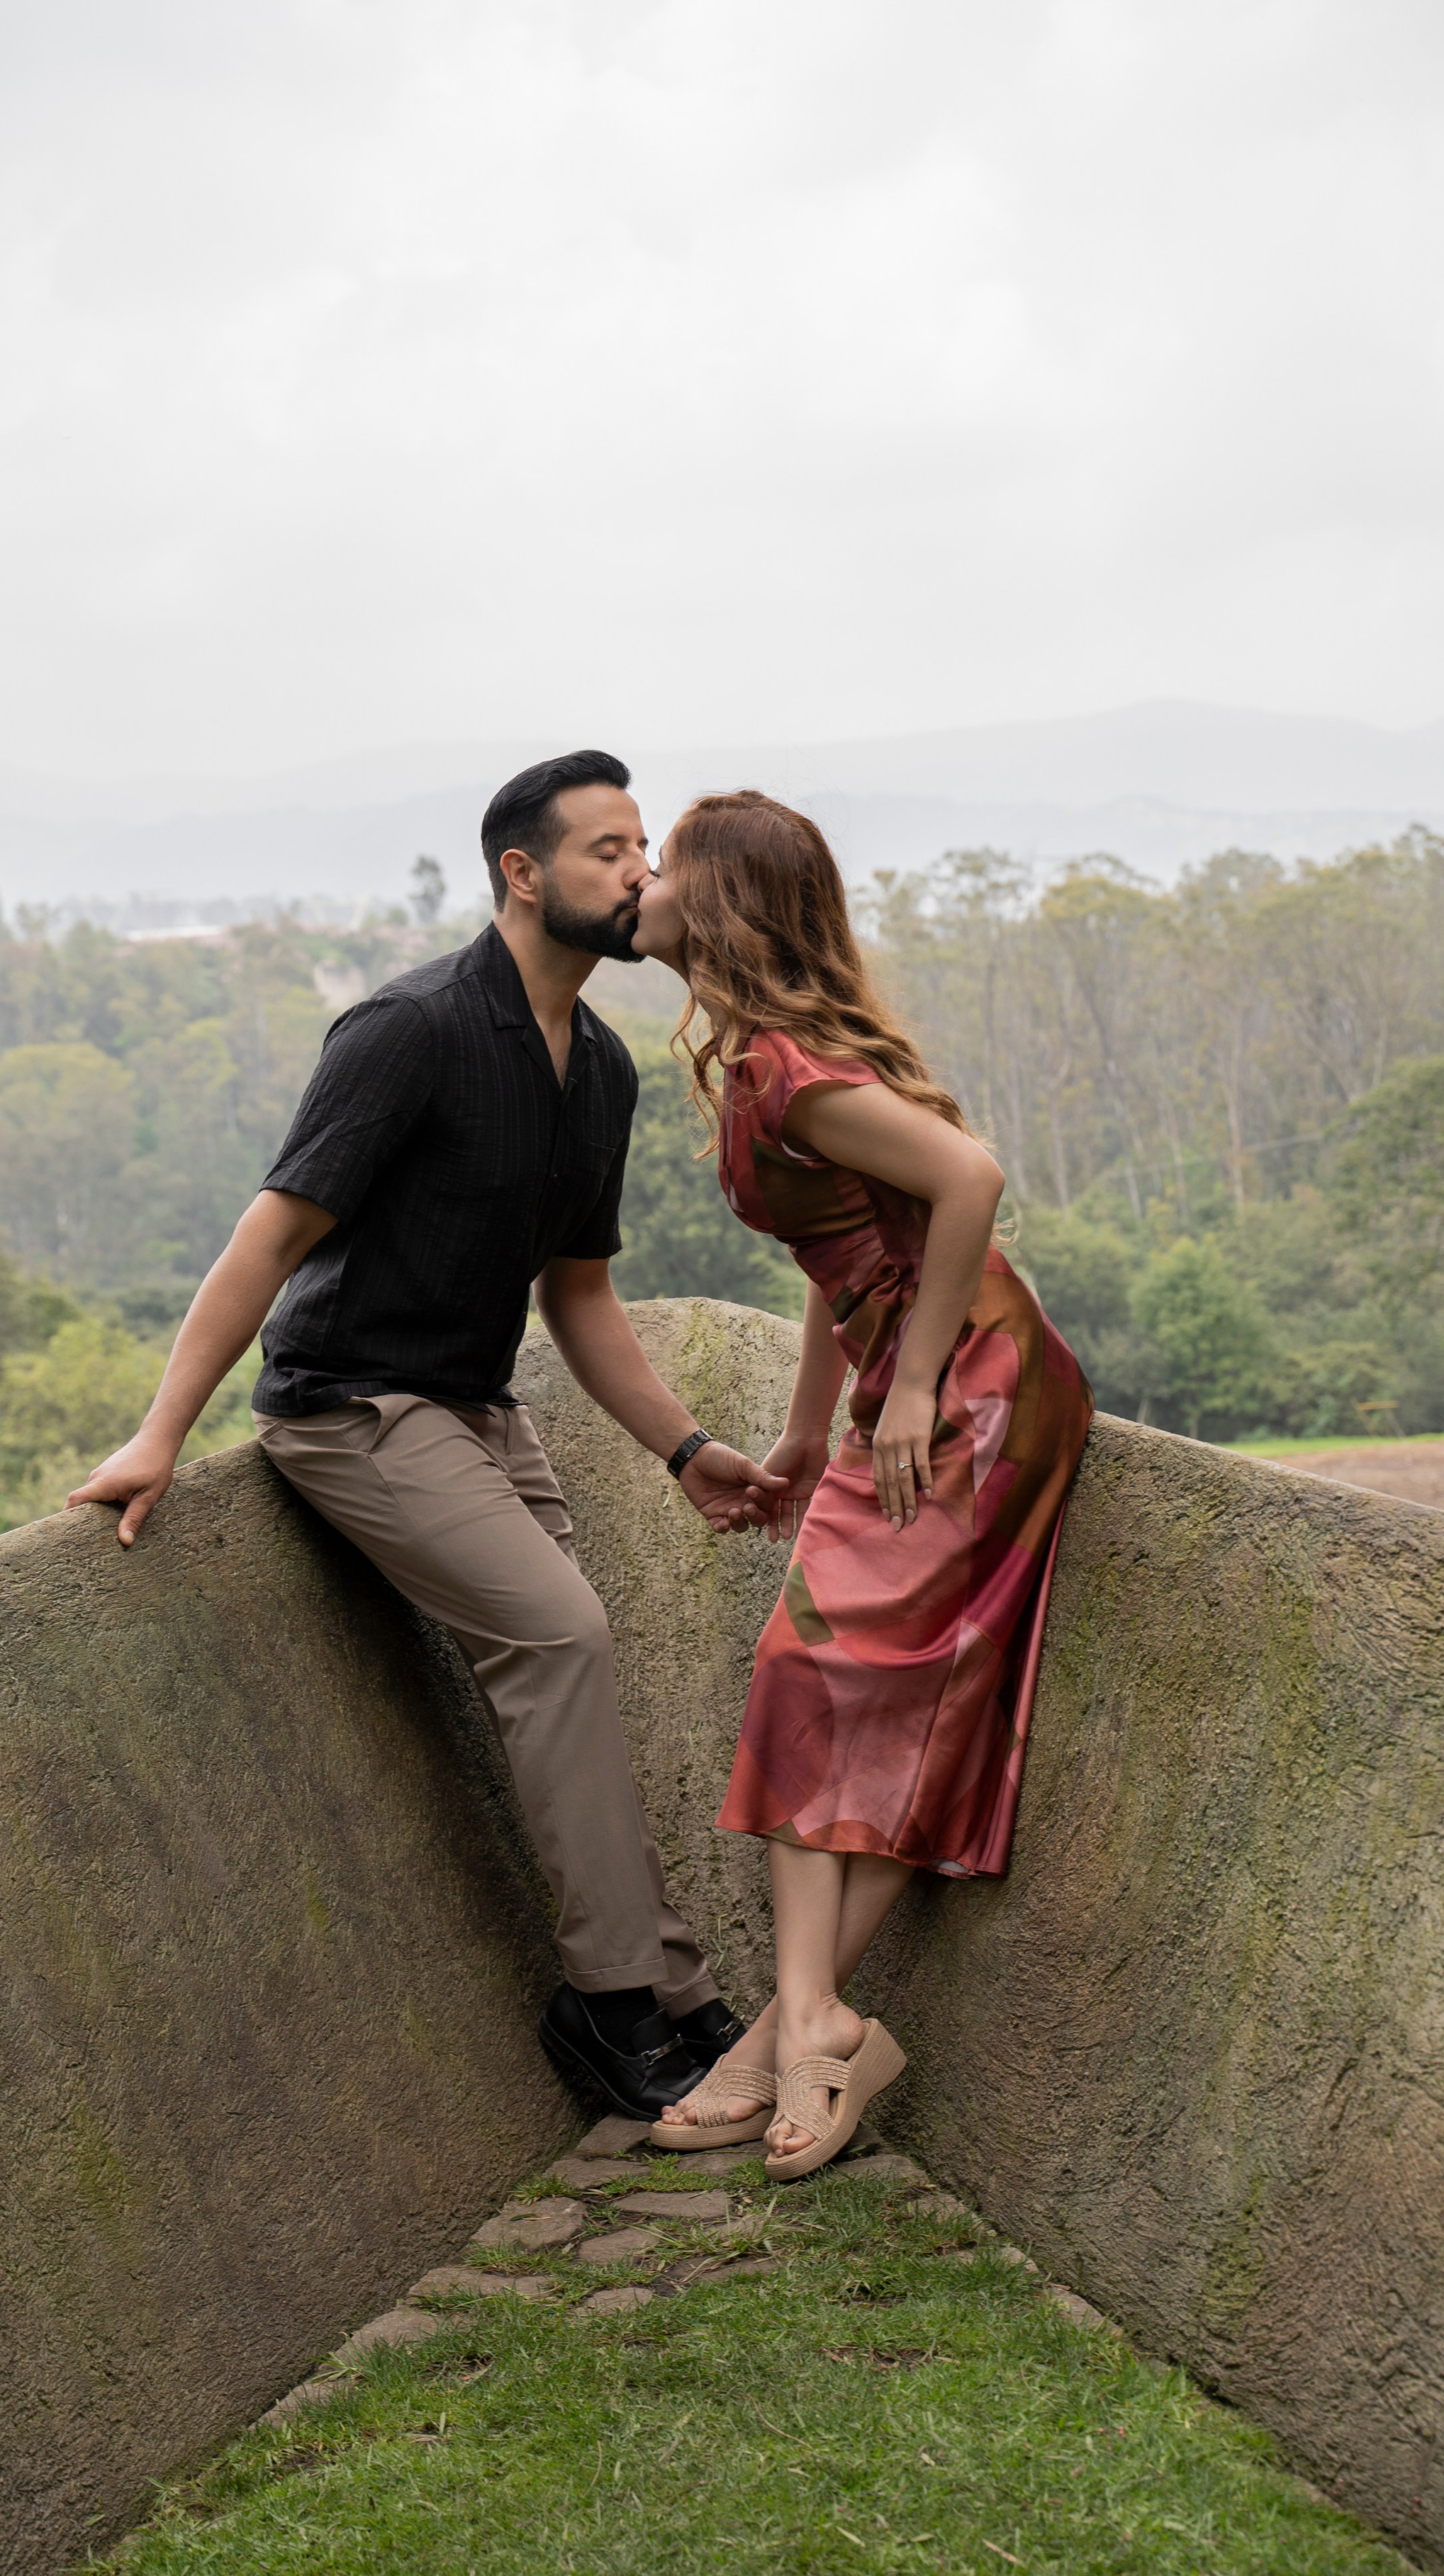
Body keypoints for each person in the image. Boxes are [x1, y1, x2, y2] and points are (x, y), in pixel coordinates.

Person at [68, 751, 783, 2121]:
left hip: (477, 1408)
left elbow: (578, 1296)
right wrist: (164, 1434)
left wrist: (687, 1453)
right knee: (563, 1638)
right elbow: (268, 1238)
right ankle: (616, 2005)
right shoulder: (409, 1030)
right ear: (521, 875)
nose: (642, 876)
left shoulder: (603, 1074)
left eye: (644, 851)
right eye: (606, 853)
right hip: (351, 1408)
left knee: (570, 1665)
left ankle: (672, 1991)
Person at [629, 792, 1094, 2178]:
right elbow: (846, 1267)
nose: (638, 884)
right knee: (820, 1698)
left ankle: (796, 2027)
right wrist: (796, 1435)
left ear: (713, 904)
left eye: (659, 866)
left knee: (809, 1679)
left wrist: (902, 1391)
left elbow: (966, 1179)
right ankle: (806, 2025)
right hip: (916, 1390)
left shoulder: (790, 1073)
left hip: (977, 1399)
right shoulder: (753, 1065)